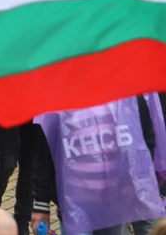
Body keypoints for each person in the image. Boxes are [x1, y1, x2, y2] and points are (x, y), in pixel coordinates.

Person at [31, 97, 161, 235]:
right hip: (75, 207)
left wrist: (134, 184)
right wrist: (41, 204)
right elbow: (45, 153)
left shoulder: (127, 97)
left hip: (115, 204)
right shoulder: (59, 98)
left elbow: (146, 140)